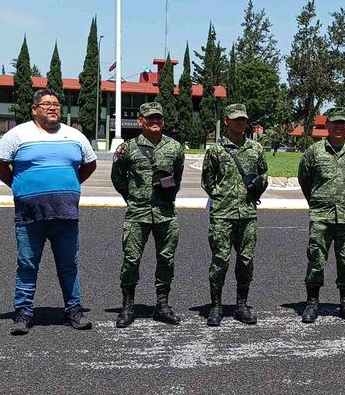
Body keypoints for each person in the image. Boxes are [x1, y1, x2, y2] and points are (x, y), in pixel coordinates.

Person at [0, 89, 97, 336]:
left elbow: (89, 164)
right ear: (34, 109)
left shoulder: (74, 136)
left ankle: (73, 310)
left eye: (57, 105)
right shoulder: (17, 135)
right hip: (30, 216)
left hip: (65, 214)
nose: (53, 108)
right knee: (27, 265)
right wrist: (19, 187)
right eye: (47, 104)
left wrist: (69, 185)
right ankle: (23, 313)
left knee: (68, 265)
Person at [110, 102, 185, 327]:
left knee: (166, 259)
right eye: (150, 119)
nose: (155, 122)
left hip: (165, 213)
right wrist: (132, 197)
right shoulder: (128, 148)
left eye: (158, 118)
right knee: (131, 260)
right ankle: (127, 306)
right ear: (140, 121)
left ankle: (162, 305)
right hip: (137, 214)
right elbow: (118, 178)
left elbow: (177, 176)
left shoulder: (175, 147)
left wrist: (168, 195)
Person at [201, 103, 269, 326]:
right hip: (222, 215)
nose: (240, 123)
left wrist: (258, 186)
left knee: (246, 261)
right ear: (226, 121)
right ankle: (217, 305)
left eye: (243, 119)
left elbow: (264, 175)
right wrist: (221, 197)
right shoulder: (216, 151)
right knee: (220, 260)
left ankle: (241, 304)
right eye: (236, 119)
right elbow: (207, 181)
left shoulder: (256, 149)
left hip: (248, 214)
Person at [297, 108, 345, 323]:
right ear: (327, 126)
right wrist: (318, 202)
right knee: (316, 259)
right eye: (335, 123)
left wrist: (344, 199)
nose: (339, 127)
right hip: (321, 216)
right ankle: (312, 302)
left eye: (342, 123)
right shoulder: (314, 152)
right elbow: (304, 180)